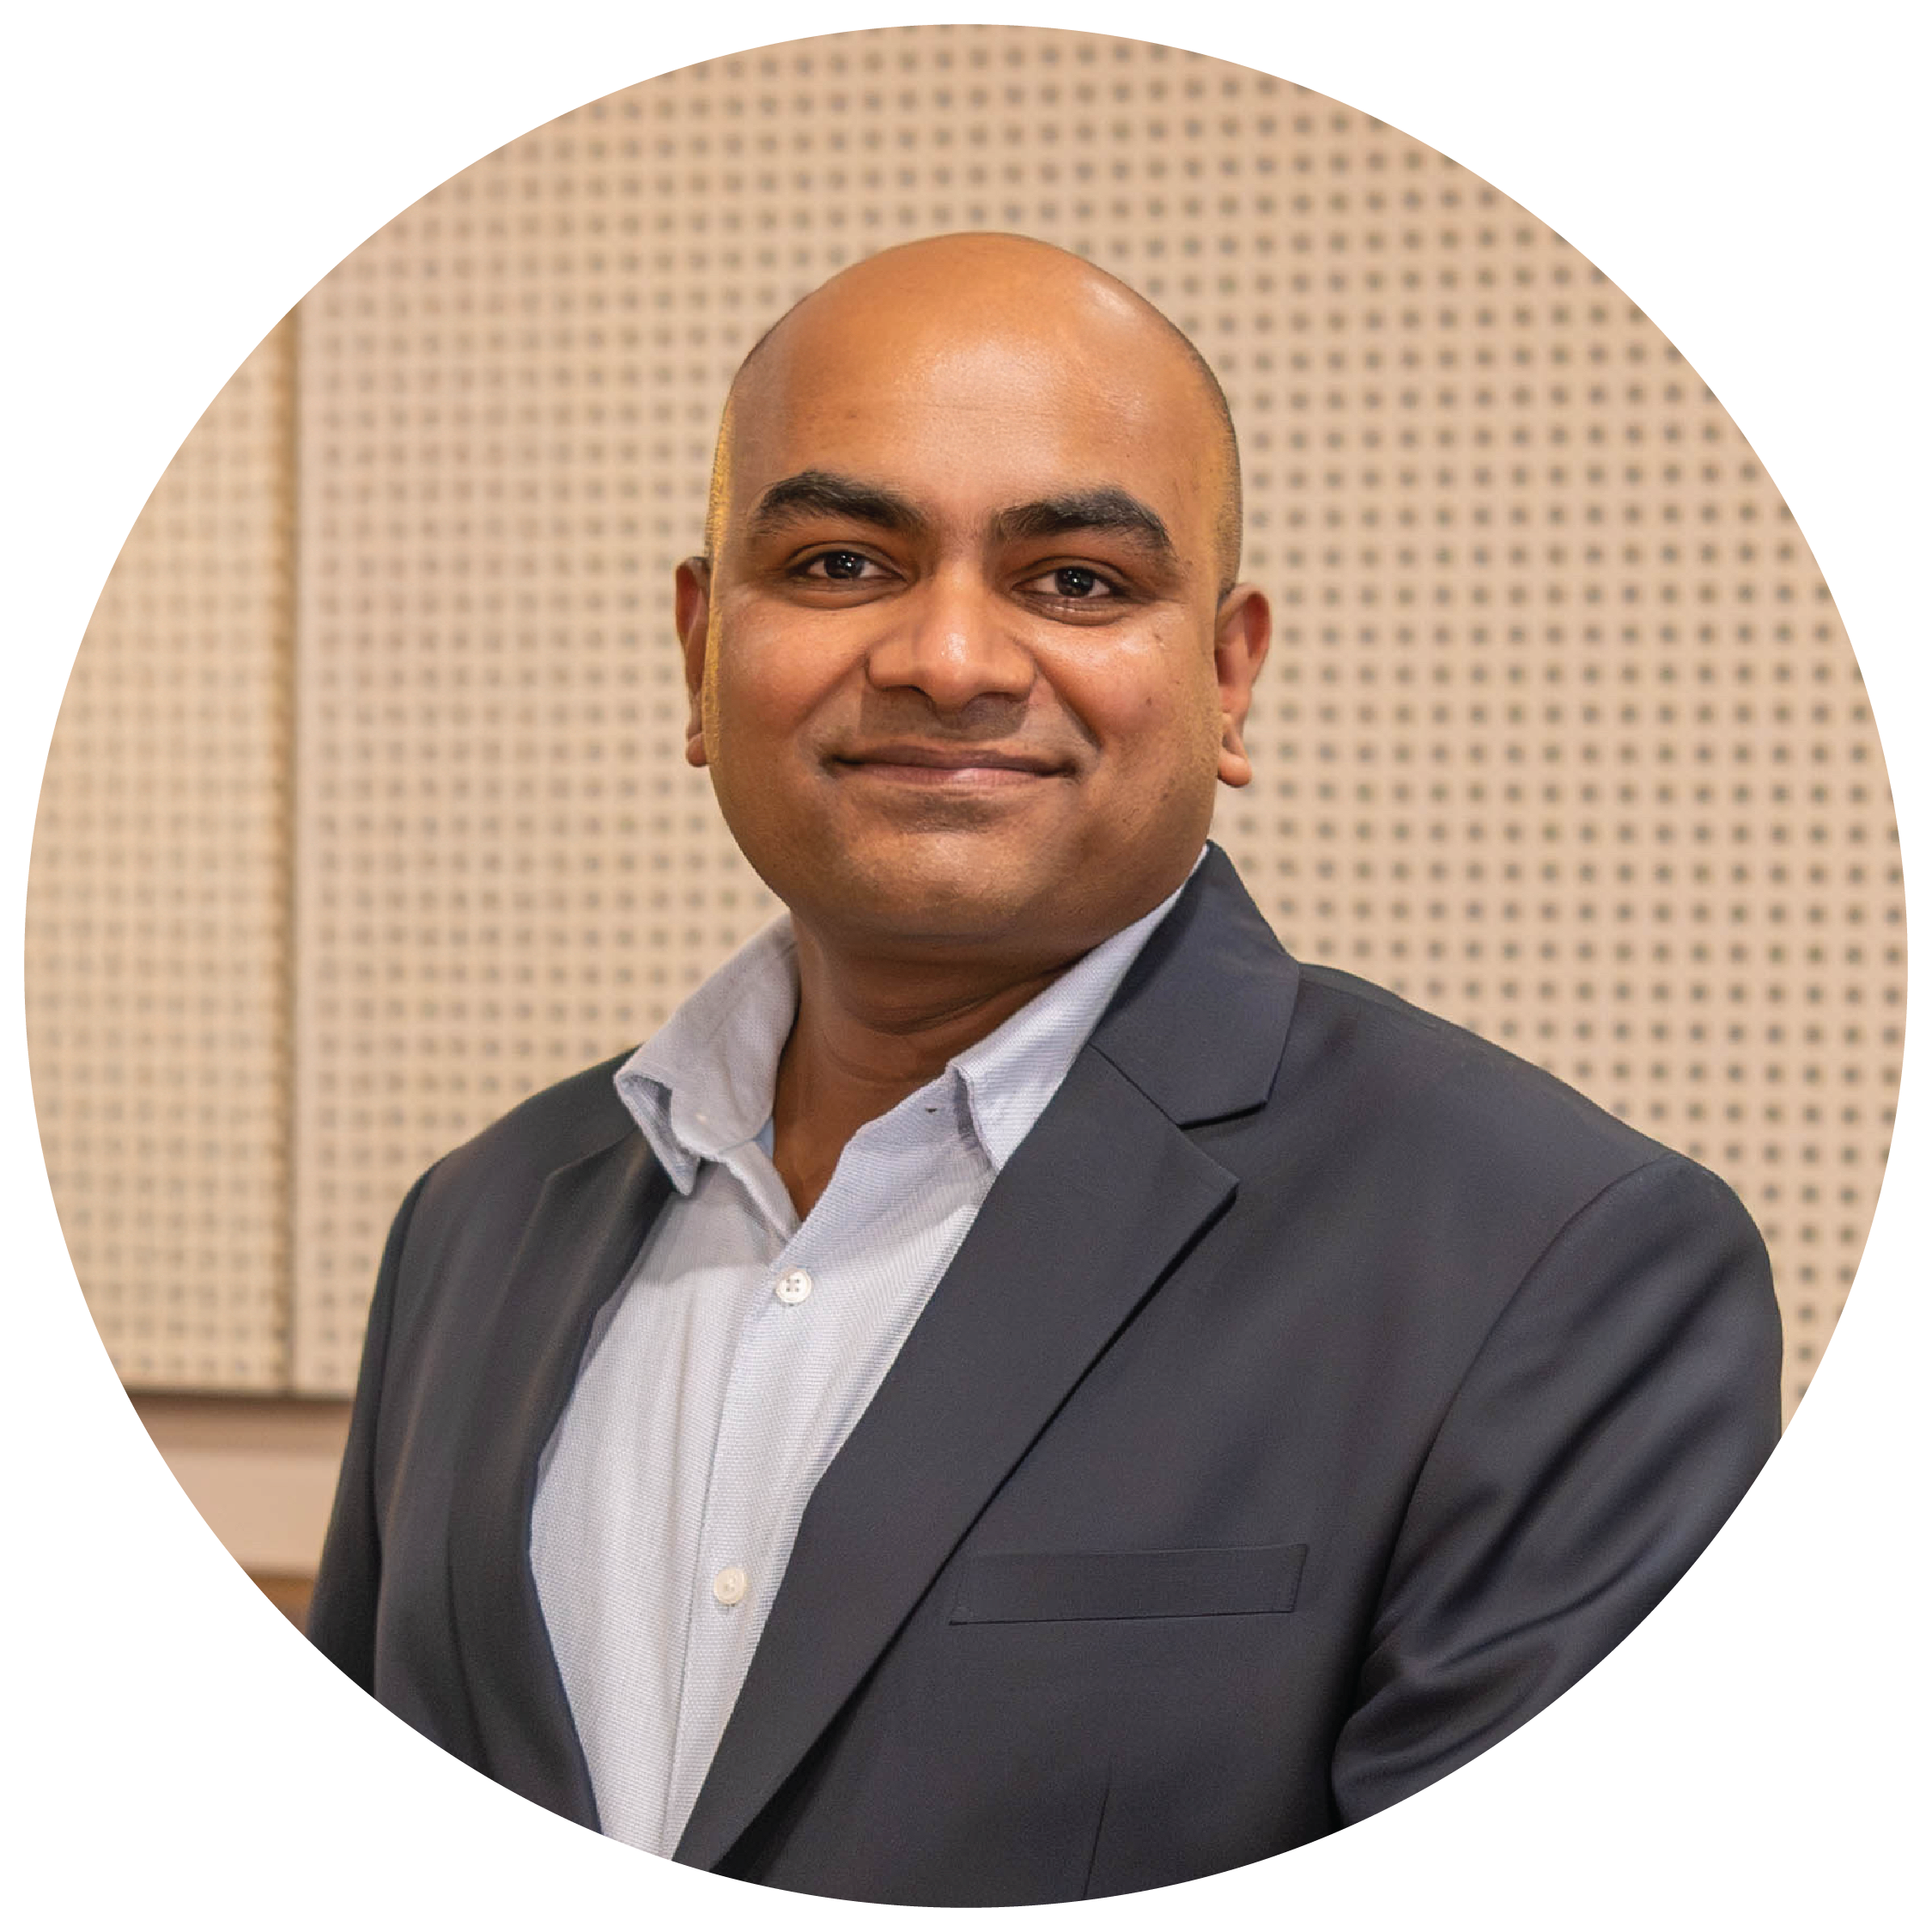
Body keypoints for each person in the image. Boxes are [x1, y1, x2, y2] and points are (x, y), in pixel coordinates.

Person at [306, 232, 1781, 1911]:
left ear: (1227, 675)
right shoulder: (476, 1222)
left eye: (1075, 580)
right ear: (701, 648)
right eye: (842, 562)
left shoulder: (1563, 1265)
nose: (947, 658)